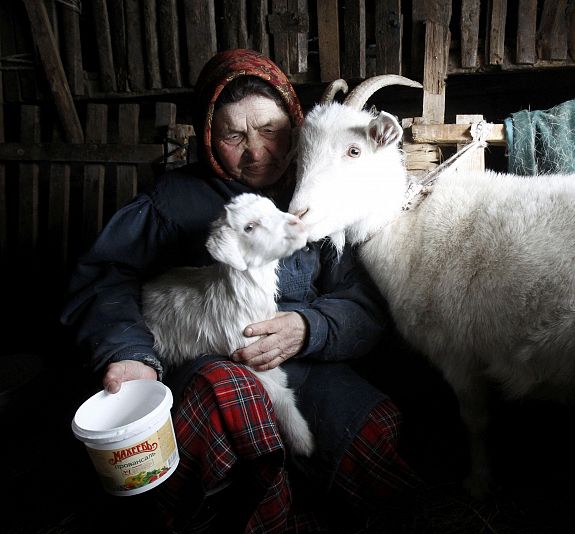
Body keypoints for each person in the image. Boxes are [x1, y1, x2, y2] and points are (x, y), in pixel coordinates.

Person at [61, 49, 420, 533]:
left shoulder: (326, 197)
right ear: (209, 136)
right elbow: (105, 279)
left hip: (303, 361)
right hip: (209, 357)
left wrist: (309, 327)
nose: (258, 152)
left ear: (295, 123)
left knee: (371, 432)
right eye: (234, 135)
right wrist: (129, 351)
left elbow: (364, 301)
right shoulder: (171, 202)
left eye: (271, 130)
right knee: (233, 399)